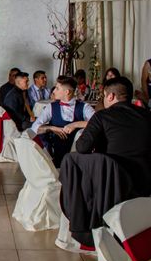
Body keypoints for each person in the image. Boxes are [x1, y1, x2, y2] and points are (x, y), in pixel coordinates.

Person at [60, 77, 151, 248]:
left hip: (112, 185)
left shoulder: (103, 116)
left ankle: (82, 223)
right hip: (145, 182)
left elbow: (82, 147)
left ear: (110, 96)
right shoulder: (147, 115)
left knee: (72, 160)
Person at [30, 76, 95, 167]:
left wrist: (75, 124)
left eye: (57, 88)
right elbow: (34, 128)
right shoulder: (51, 107)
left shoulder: (84, 107)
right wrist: (51, 128)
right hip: (56, 155)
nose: (53, 91)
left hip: (78, 156)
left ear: (67, 92)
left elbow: (98, 122)